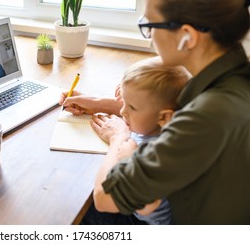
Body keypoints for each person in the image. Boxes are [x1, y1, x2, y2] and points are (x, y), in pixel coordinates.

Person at [62, 0, 250, 224]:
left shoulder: (209, 114)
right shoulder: (230, 80)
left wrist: (119, 137)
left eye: (150, 25)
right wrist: (99, 103)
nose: (150, 39)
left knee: (69, 208)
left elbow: (106, 197)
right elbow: (163, 109)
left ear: (187, 36)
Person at [61, 58, 190, 224]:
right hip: (134, 209)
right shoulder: (162, 126)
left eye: (131, 107)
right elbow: (144, 108)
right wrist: (95, 103)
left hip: (142, 223)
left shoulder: (155, 155)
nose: (122, 111)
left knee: (75, 207)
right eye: (123, 102)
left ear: (165, 116)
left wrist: (123, 147)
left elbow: (138, 205)